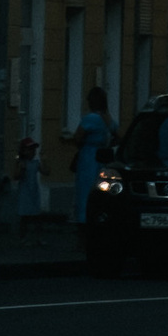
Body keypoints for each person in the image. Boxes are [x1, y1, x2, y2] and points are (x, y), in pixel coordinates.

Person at [71, 81, 115, 227]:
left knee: (85, 191)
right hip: (103, 157)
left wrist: (82, 145)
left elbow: (77, 137)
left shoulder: (90, 118)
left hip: (88, 157)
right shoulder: (107, 118)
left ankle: (83, 220)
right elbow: (118, 134)